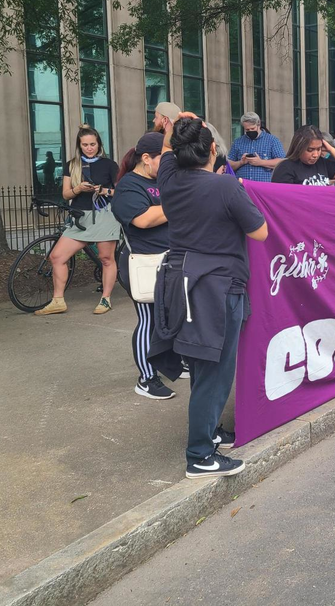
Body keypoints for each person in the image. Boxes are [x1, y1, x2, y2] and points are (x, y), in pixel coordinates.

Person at [152, 115, 269, 479]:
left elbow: (168, 150)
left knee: (203, 368)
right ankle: (200, 455)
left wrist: (178, 127)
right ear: (214, 150)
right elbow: (261, 232)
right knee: (213, 373)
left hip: (180, 282)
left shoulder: (169, 180)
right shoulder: (226, 189)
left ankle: (210, 431)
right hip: (217, 288)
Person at [113, 132, 176, 400]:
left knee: (173, 316)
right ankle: (146, 378)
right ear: (146, 158)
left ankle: (172, 364)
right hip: (143, 263)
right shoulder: (129, 186)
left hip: (169, 259)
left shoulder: (164, 182)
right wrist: (180, 201)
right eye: (166, 158)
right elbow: (143, 220)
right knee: (148, 319)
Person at [35, 125, 121, 316]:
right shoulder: (72, 164)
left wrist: (103, 191)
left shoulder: (109, 165)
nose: (89, 148)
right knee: (57, 257)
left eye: (92, 144)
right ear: (79, 145)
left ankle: (106, 299)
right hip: (79, 216)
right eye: (85, 145)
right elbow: (66, 194)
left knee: (106, 258)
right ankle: (58, 301)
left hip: (104, 214)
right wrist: (79, 189)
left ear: (98, 144)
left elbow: (121, 192)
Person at [271, 125, 335, 185]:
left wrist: (331, 149)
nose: (315, 155)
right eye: (310, 150)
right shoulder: (286, 167)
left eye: (319, 149)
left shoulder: (322, 163)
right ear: (299, 147)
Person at [227, 111, 285, 182]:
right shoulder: (238, 142)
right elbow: (228, 164)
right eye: (247, 130)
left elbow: (281, 162)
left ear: (259, 125)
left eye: (252, 128)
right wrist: (240, 162)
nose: (250, 131)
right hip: (242, 186)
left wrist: (261, 162)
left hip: (264, 186)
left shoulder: (272, 140)